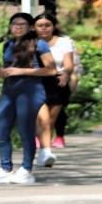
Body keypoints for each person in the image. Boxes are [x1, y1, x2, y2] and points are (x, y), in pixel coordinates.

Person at [0, 13, 56, 185]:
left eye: (22, 24)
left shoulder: (39, 44)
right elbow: (9, 67)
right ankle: (5, 168)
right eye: (14, 24)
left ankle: (26, 169)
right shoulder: (9, 44)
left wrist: (20, 71)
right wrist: (1, 72)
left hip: (31, 90)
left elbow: (51, 70)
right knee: (0, 128)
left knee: (25, 129)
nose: (18, 27)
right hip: (10, 89)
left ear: (30, 27)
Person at [32, 13, 75, 167]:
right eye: (40, 25)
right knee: (40, 118)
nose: (44, 28)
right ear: (34, 27)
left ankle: (46, 150)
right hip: (36, 80)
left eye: (47, 25)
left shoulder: (64, 41)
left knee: (50, 118)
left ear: (53, 26)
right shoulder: (30, 41)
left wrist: (65, 74)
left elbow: (69, 63)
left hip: (57, 81)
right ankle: (43, 145)